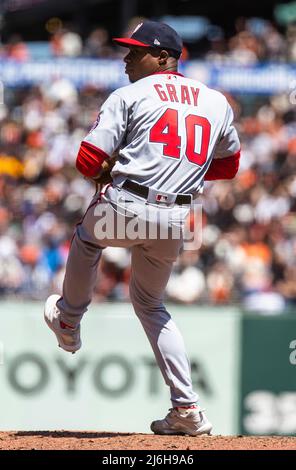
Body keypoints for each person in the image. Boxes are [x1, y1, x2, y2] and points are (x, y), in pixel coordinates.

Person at [44, 20, 240, 436]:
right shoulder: (215, 100)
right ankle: (187, 409)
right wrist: (181, 174)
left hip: (127, 203)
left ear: (165, 57)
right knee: (151, 305)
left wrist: (107, 173)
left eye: (137, 51)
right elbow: (229, 165)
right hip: (176, 218)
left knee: (86, 239)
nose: (127, 58)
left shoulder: (130, 94)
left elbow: (87, 159)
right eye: (128, 50)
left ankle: (68, 319)